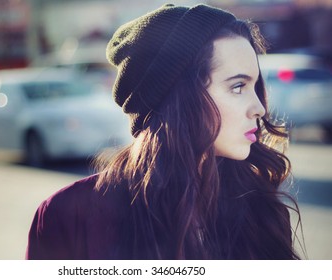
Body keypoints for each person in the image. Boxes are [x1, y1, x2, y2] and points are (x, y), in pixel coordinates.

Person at [26, 3, 302, 260]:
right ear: (177, 97)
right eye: (238, 87)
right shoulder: (68, 215)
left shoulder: (262, 210)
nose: (259, 109)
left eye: (255, 87)